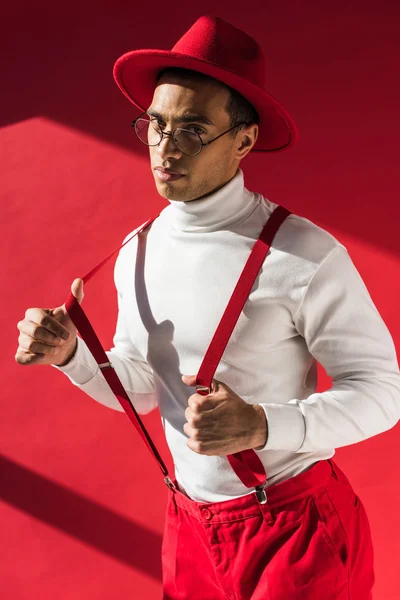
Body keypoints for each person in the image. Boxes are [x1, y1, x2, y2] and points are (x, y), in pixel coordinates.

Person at [15, 15, 400, 600]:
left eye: (193, 130)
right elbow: (145, 388)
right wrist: (73, 357)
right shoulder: (135, 250)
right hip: (190, 525)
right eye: (156, 125)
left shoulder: (303, 254)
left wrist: (264, 424)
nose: (165, 149)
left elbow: (384, 392)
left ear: (243, 141)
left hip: (295, 531)